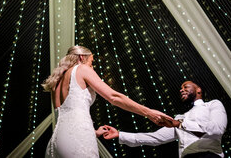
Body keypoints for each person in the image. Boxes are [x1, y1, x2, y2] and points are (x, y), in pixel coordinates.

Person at [42, 45, 173, 158]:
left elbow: (67, 118)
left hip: (56, 141)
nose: (92, 66)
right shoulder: (82, 69)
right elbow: (114, 97)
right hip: (77, 138)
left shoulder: (56, 82)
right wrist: (148, 112)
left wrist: (94, 133)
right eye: (91, 62)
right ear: (82, 57)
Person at [100, 80, 227, 158]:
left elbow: (217, 129)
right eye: (181, 88)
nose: (181, 89)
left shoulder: (213, 104)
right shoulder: (180, 118)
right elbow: (155, 138)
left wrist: (180, 124)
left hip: (210, 155)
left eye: (186, 86)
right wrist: (120, 135)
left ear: (198, 89)